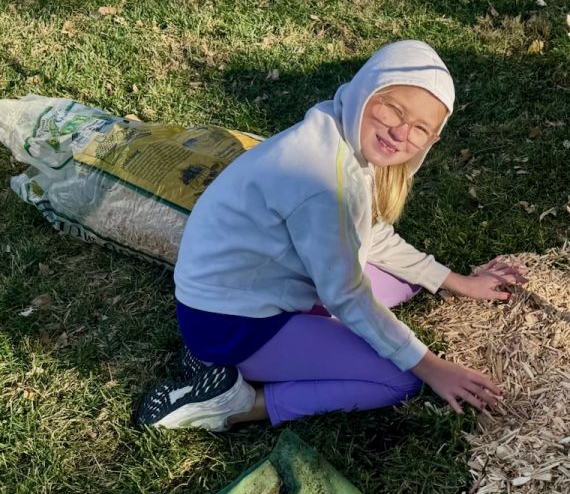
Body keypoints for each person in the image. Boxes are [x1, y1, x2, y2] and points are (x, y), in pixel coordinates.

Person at [134, 40, 526, 431]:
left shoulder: (338, 129)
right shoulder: (326, 182)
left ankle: (250, 353)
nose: (400, 132)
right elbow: (346, 294)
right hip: (232, 325)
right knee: (398, 379)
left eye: (420, 128)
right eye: (394, 109)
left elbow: (369, 235)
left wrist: (458, 283)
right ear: (366, 90)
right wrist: (431, 366)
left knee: (403, 283)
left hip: (243, 294)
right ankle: (236, 403)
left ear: (432, 140)